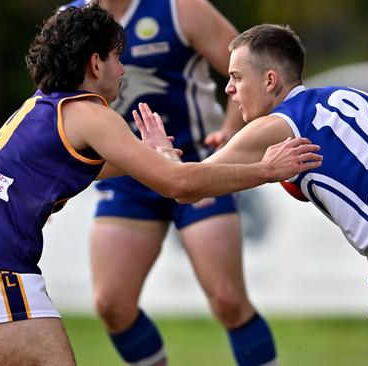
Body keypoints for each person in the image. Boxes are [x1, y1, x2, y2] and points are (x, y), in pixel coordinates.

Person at [0, 8, 322, 365]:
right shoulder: (88, 110)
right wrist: (266, 169)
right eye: (117, 58)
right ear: (95, 63)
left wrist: (154, 156)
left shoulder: (39, 107)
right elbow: (178, 184)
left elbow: (111, 167)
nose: (123, 70)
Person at [170, 24, 368, 366]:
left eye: (236, 77)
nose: (229, 88)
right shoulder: (349, 95)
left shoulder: (276, 127)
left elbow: (186, 187)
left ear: (269, 81)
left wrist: (163, 154)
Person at [58, 1, 279, 365]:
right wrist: (48, 181)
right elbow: (54, 100)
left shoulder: (180, 9)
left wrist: (231, 130)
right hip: (127, 175)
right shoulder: (71, 18)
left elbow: (250, 68)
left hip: (197, 167)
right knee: (112, 305)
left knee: (227, 300)